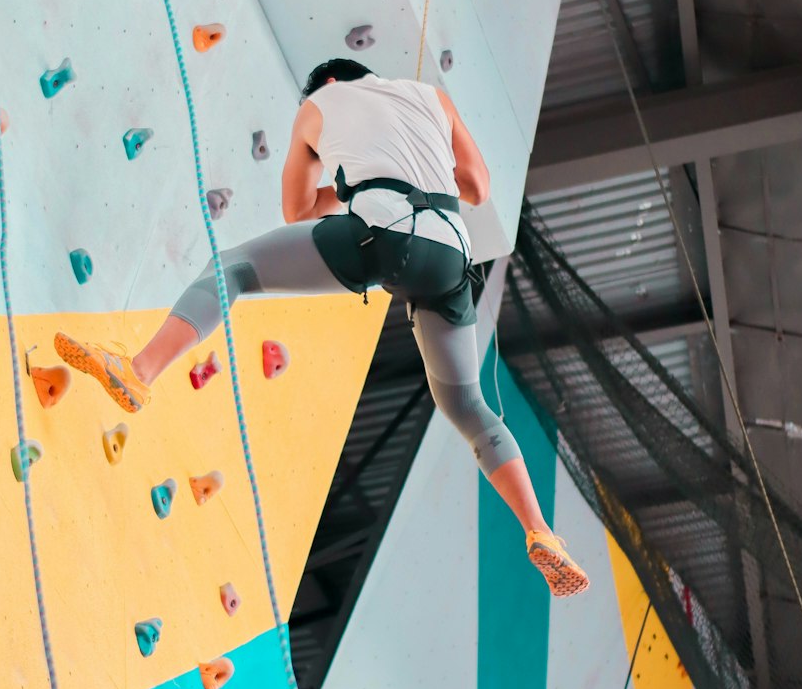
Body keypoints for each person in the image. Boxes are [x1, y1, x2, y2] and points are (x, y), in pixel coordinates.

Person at [55, 59, 589, 597]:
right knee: (468, 406)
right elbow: (477, 186)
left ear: (329, 83)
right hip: (450, 255)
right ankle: (541, 532)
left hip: (381, 234)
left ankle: (140, 369)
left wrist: (353, 184)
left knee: (233, 269)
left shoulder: (319, 105)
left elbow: (297, 209)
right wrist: (399, 172)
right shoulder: (433, 97)